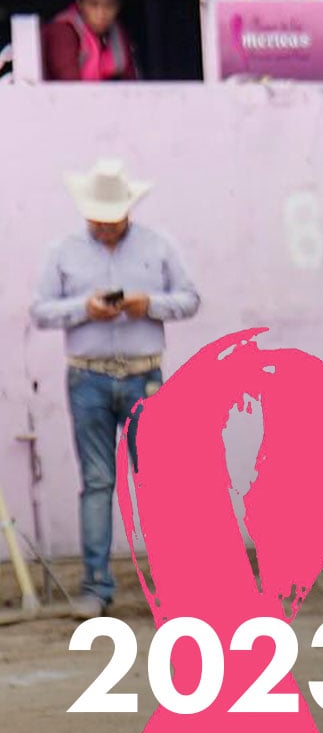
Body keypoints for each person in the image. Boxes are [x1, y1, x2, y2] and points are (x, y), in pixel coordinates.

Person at [30, 159, 200, 618]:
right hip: (89, 375)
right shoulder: (61, 251)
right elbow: (41, 310)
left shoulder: (158, 246)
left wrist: (150, 305)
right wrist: (84, 310)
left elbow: (190, 299)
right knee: (100, 482)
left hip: (144, 373)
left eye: (112, 221)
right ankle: (96, 588)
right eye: (98, 221)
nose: (105, 229)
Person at [41, 0, 139, 82]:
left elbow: (131, 82)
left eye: (109, 5)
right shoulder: (63, 31)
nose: (101, 14)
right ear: (80, 3)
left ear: (118, 6)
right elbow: (70, 87)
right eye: (93, 4)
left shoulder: (118, 32)